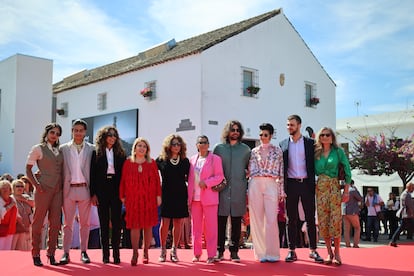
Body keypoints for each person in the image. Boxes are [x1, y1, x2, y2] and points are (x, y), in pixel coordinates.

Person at [279, 115, 323, 263]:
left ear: (299, 125)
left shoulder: (310, 143)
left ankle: (313, 250)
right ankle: (291, 250)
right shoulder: (283, 144)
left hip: (307, 184)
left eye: (292, 125)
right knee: (291, 219)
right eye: (287, 125)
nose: (289, 127)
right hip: (290, 184)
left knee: (310, 218)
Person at [120, 137, 162, 265]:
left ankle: (146, 251)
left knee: (148, 226)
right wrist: (122, 196)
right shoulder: (128, 163)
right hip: (133, 199)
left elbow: (156, 181)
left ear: (147, 150)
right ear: (135, 148)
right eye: (139, 146)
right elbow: (123, 181)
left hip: (149, 198)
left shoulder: (152, 163)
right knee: (135, 226)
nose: (142, 148)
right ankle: (134, 252)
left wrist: (158, 196)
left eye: (144, 146)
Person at [26, 123, 63, 266]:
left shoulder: (58, 150)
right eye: (52, 132)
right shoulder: (38, 148)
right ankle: (35, 254)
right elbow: (28, 169)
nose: (55, 135)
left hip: (57, 191)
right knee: (38, 221)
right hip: (43, 189)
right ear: (47, 133)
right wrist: (36, 185)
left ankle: (51, 254)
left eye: (58, 133)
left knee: (55, 223)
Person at [213, 120, 251, 262]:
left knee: (236, 222)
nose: (235, 132)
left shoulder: (246, 150)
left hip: (238, 190)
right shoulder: (219, 148)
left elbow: (250, 167)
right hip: (222, 191)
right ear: (227, 131)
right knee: (220, 222)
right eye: (232, 129)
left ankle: (234, 251)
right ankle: (219, 251)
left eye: (237, 130)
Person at [314, 127, 351, 265]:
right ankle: (329, 253)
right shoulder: (316, 152)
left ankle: (337, 253)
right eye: (322, 135)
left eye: (327, 135)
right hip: (321, 188)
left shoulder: (338, 152)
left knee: (335, 221)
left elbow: (347, 170)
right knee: (323, 221)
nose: (324, 137)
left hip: (334, 187)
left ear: (332, 137)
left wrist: (346, 191)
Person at [59, 119, 94, 265]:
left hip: (85, 189)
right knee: (67, 224)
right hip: (69, 189)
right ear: (72, 131)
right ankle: (65, 252)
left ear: (85, 132)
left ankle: (84, 251)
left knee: (85, 223)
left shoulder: (92, 149)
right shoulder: (63, 149)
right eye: (75, 130)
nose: (78, 133)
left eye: (81, 130)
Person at [248, 123, 284, 262]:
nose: (262, 137)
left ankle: (273, 253)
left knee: (271, 219)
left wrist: (281, 191)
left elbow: (281, 172)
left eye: (265, 135)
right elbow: (250, 171)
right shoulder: (254, 151)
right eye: (261, 135)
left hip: (271, 183)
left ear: (271, 135)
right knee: (256, 219)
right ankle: (260, 253)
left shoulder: (277, 151)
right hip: (255, 183)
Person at [90, 126, 126, 264]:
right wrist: (93, 194)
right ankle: (105, 255)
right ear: (103, 137)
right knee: (103, 224)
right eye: (109, 135)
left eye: (114, 135)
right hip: (102, 190)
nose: (112, 137)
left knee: (117, 224)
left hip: (116, 189)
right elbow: (92, 175)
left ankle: (116, 255)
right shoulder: (96, 153)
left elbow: (123, 176)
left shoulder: (120, 153)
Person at [187, 135, 224, 263]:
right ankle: (197, 253)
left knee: (211, 228)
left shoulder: (215, 159)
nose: (202, 145)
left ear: (208, 145)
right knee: (196, 228)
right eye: (200, 142)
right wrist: (188, 197)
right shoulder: (192, 159)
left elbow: (220, 177)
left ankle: (211, 255)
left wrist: (207, 183)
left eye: (205, 142)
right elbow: (190, 180)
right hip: (195, 199)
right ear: (197, 145)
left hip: (209, 198)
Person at [156, 134, 190, 263]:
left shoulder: (185, 161)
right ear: (168, 146)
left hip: (181, 194)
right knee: (165, 223)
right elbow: (152, 175)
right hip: (166, 195)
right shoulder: (160, 160)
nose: (176, 146)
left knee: (178, 223)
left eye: (178, 144)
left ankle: (174, 250)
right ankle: (163, 250)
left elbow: (191, 179)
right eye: (174, 144)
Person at [11, 179, 34, 250]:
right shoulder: (11, 198)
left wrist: (23, 199)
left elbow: (34, 204)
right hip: (15, 228)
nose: (20, 188)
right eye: (17, 186)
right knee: (14, 247)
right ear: (13, 188)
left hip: (27, 227)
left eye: (21, 186)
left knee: (25, 248)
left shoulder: (26, 197)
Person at [389, 182, 414, 247]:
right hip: (407, 214)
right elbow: (410, 205)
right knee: (401, 228)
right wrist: (412, 213)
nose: (413, 189)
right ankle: (393, 241)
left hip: (405, 214)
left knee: (401, 228)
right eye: (412, 187)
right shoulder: (407, 194)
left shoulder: (404, 193)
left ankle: (393, 241)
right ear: (409, 187)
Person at [343, 180, 363, 248]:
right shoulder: (353, 190)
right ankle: (355, 244)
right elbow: (360, 198)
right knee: (357, 227)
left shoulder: (344, 191)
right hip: (353, 211)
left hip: (345, 211)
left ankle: (347, 244)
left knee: (346, 229)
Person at [0, 180, 17, 250]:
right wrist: (10, 205)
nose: (5, 190)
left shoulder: (12, 199)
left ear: (10, 190)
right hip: (1, 230)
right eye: (3, 188)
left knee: (7, 250)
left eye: (7, 188)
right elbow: (1, 214)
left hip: (11, 230)